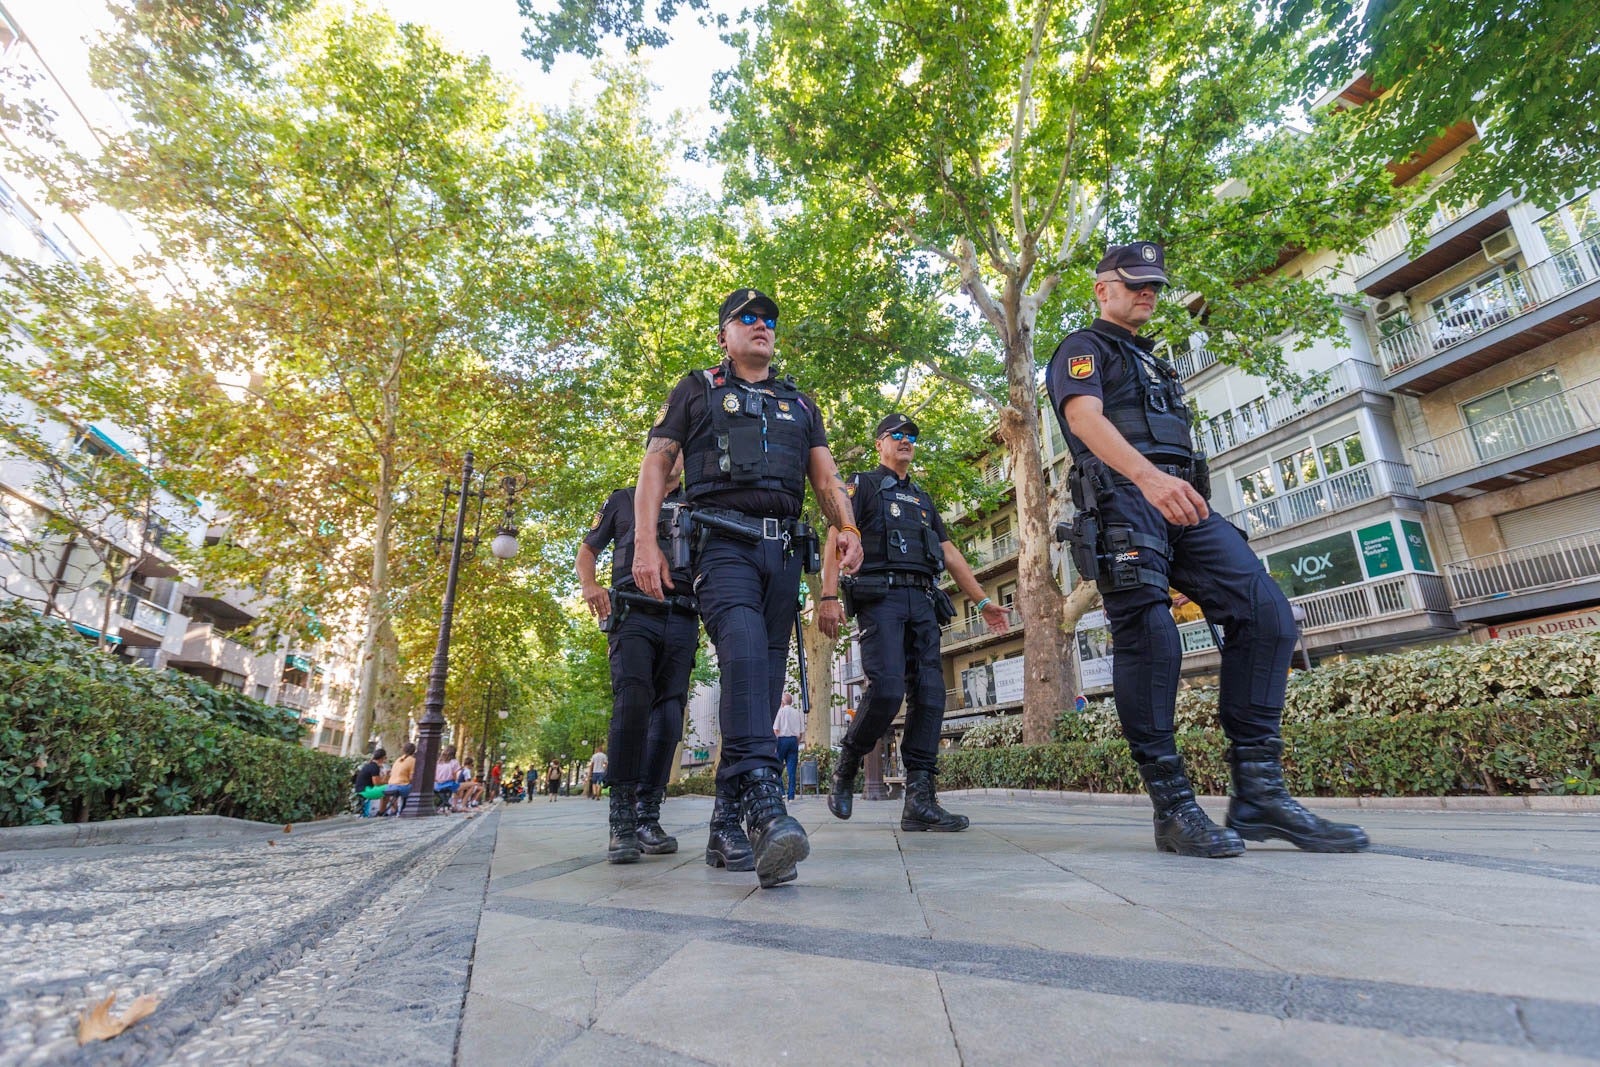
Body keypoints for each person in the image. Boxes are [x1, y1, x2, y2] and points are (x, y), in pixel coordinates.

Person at [1045, 241, 1368, 857]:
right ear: (1101, 288)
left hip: (1181, 501)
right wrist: (1147, 478)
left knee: (1267, 615)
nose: (1147, 292)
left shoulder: (1155, 362)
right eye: (1134, 281)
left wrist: (1172, 485)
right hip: (1124, 496)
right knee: (1151, 633)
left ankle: (1259, 795)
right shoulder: (1081, 348)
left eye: (1155, 285)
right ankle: (1173, 808)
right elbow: (1085, 420)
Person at [633, 286, 864, 888]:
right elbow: (656, 463)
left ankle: (722, 827)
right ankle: (765, 808)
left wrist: (846, 526)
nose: (762, 326)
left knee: (759, 687)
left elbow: (827, 476)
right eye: (748, 318)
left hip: (782, 553)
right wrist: (646, 542)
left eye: (770, 320)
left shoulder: (799, 403)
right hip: (721, 543)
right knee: (739, 655)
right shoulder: (696, 389)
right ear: (725, 335)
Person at [818, 413, 1010, 831]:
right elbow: (836, 535)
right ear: (880, 444)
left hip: (922, 600)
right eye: (897, 435)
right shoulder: (862, 485)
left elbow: (950, 552)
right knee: (886, 689)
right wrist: (828, 597)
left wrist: (982, 603)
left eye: (911, 437)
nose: (906, 441)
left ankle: (920, 799)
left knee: (929, 694)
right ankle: (848, 763)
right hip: (880, 598)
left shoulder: (923, 499)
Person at [578, 465, 698, 862]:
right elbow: (588, 549)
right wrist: (590, 586)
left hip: (681, 615)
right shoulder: (623, 499)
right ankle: (622, 818)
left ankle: (649, 813)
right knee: (632, 704)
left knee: (669, 715)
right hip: (632, 614)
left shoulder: (697, 502)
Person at [772, 694, 804, 801]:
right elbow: (801, 732)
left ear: (782, 702)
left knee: (777, 767)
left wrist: (776, 743)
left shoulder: (780, 712)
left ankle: (781, 792)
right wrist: (797, 742)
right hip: (793, 740)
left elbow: (776, 729)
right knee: (792, 770)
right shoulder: (797, 713)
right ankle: (791, 795)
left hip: (782, 740)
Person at [378, 742, 416, 816]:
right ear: (414, 751)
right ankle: (405, 809)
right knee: (416, 789)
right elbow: (411, 778)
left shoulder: (398, 760)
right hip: (401, 786)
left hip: (390, 786)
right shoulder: (412, 760)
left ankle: (394, 810)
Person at [353, 748, 388, 817]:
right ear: (382, 758)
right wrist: (387, 780)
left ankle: (382, 811)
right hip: (365, 790)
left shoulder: (370, 765)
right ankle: (383, 812)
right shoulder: (375, 767)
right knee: (390, 788)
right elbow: (377, 784)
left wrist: (385, 776)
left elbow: (379, 782)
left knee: (387, 789)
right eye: (385, 758)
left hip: (362, 789)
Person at [434, 745, 463, 811]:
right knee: (460, 786)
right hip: (448, 784)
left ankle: (446, 802)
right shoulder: (454, 762)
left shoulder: (438, 762)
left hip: (436, 785)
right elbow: (456, 775)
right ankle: (455, 805)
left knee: (456, 786)